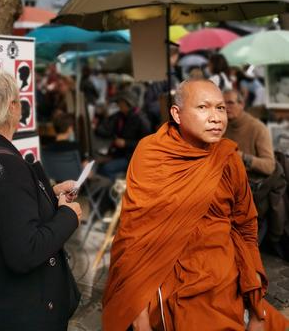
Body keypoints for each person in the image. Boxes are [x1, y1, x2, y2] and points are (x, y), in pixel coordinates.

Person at [103, 79, 288, 331]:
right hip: (170, 275)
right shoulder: (152, 153)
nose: (215, 118)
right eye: (203, 107)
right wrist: (140, 312)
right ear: (176, 114)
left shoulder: (228, 157)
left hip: (223, 275)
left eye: (220, 108)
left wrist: (254, 293)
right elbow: (135, 234)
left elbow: (245, 225)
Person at [0, 69, 82, 331]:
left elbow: (5, 212)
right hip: (16, 315)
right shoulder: (3, 164)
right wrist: (68, 216)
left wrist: (50, 194)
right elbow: (26, 251)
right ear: (11, 107)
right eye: (18, 99)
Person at [95, 89, 151, 182]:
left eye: (120, 102)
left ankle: (118, 188)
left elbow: (146, 144)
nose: (118, 105)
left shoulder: (141, 120)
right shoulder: (120, 116)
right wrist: (100, 120)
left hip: (132, 157)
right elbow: (105, 131)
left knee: (105, 169)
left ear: (128, 103)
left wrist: (126, 143)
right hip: (117, 153)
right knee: (98, 165)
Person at [224, 89, 275, 176]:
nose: (225, 106)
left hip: (250, 183)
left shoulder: (258, 128)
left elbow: (269, 166)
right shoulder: (222, 125)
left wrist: (243, 157)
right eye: (222, 103)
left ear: (241, 105)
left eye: (230, 103)